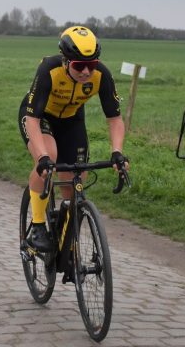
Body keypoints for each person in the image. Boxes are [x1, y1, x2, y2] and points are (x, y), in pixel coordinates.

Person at [19, 26, 128, 251]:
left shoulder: (102, 75)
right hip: (40, 117)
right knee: (50, 158)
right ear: (66, 61)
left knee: (74, 180)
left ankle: (67, 232)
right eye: (80, 66)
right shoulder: (49, 70)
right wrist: (42, 158)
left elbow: (115, 119)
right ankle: (38, 224)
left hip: (71, 119)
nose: (86, 72)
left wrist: (117, 152)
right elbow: (33, 121)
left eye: (92, 65)